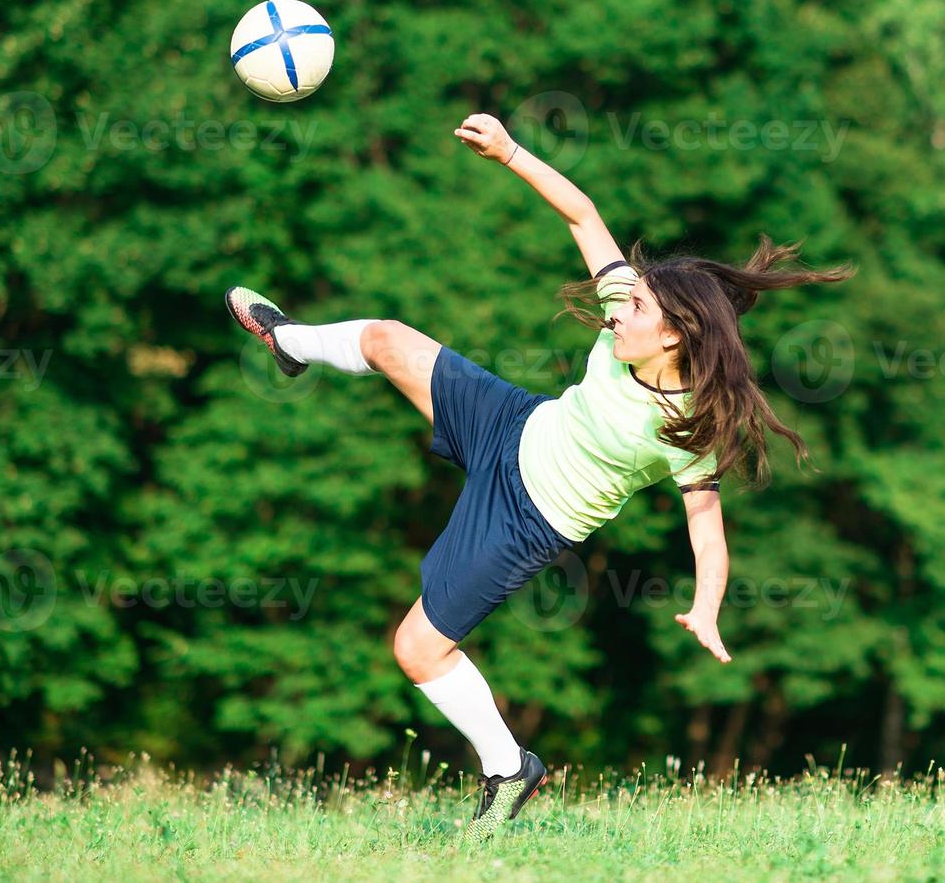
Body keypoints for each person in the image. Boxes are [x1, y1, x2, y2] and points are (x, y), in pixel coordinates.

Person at [224, 112, 854, 840]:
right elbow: (582, 214)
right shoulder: (629, 312)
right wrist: (510, 151)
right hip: (512, 423)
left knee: (416, 649)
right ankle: (289, 342)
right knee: (386, 339)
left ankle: (508, 767)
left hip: (526, 518)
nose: (618, 311)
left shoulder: (688, 424)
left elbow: (705, 529)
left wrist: (707, 603)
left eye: (637, 308)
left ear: (674, 334)